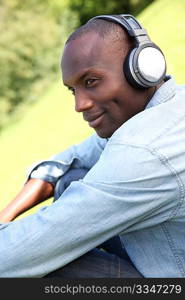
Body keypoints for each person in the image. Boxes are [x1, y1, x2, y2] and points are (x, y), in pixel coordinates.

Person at [0, 13, 185, 278]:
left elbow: (13, 256)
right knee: (69, 179)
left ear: (143, 70)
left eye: (91, 82)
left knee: (46, 264)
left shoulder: (145, 154)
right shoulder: (164, 107)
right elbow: (71, 159)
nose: (80, 105)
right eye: (74, 91)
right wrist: (6, 216)